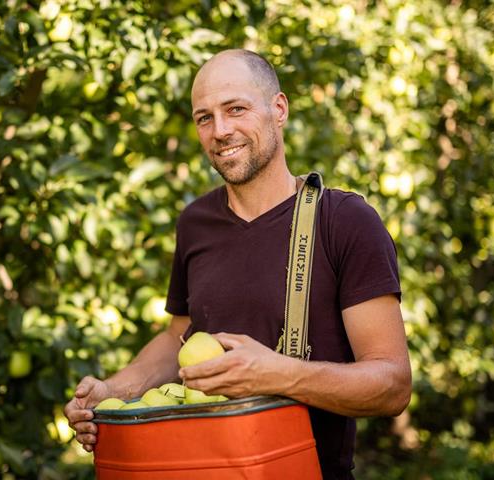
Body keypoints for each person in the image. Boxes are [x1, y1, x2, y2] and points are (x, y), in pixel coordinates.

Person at [63, 49, 411, 479]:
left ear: (278, 109)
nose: (220, 130)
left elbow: (393, 386)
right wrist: (112, 391)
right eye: (204, 118)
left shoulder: (344, 221)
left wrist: (278, 375)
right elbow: (178, 338)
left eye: (236, 109)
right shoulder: (196, 223)